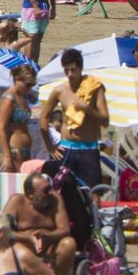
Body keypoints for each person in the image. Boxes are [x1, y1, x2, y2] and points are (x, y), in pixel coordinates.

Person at [39, 49, 109, 188]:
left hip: (88, 148)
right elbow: (43, 117)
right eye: (66, 70)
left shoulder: (95, 88)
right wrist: (50, 146)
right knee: (59, 189)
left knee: (93, 193)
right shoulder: (60, 90)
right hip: (66, 148)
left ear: (81, 68)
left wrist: (86, 108)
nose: (70, 74)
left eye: (73, 70)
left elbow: (105, 121)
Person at [2, 173, 77, 275]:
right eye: (45, 190)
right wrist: (28, 238)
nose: (49, 193)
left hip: (48, 246)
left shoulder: (55, 199)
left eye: (50, 188)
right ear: (30, 194)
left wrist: (45, 235)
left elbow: (65, 229)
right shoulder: (16, 201)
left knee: (69, 244)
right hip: (23, 247)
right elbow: (2, 231)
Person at [0, 64, 38, 173]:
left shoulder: (21, 97)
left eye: (33, 85)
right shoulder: (9, 98)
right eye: (28, 84)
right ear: (17, 79)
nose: (30, 88)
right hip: (14, 151)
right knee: (15, 187)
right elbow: (1, 127)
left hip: (23, 150)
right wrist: (7, 156)